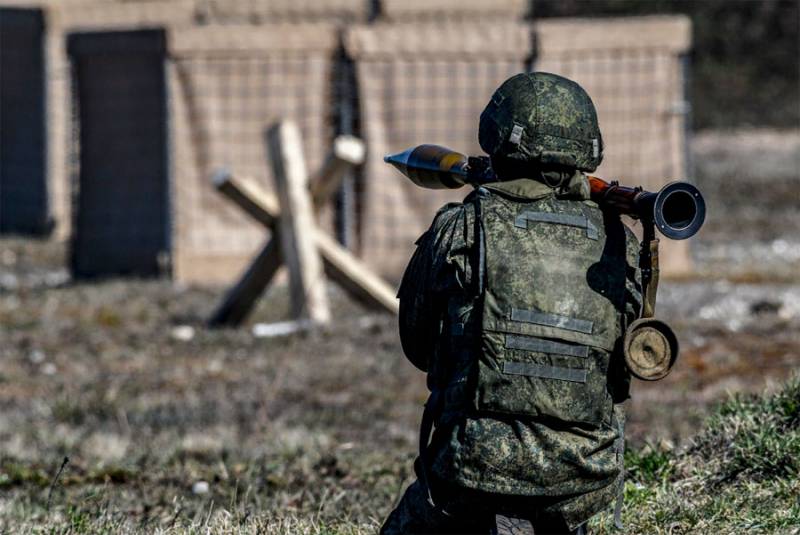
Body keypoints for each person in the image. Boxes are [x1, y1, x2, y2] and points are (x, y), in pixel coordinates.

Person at [381, 72, 643, 535]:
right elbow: (623, 371)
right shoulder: (617, 240)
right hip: (587, 474)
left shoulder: (460, 226)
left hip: (474, 469)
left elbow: (417, 343)